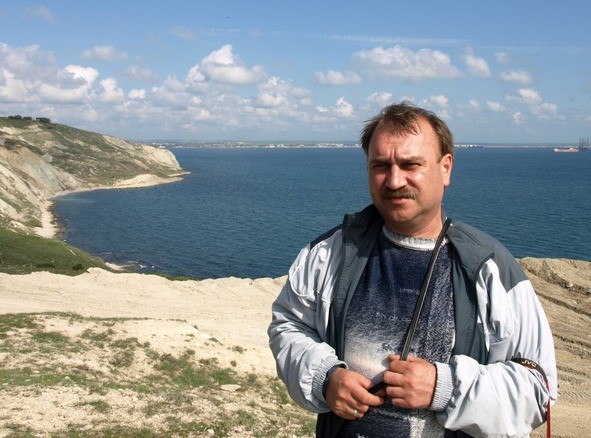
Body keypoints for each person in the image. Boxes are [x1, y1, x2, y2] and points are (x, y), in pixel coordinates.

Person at [268, 101, 557, 437]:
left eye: (410, 164)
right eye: (380, 165)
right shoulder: (330, 253)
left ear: (445, 169)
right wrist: (325, 377)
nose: (394, 180)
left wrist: (444, 387)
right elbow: (288, 326)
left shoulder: (489, 269)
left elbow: (538, 390)